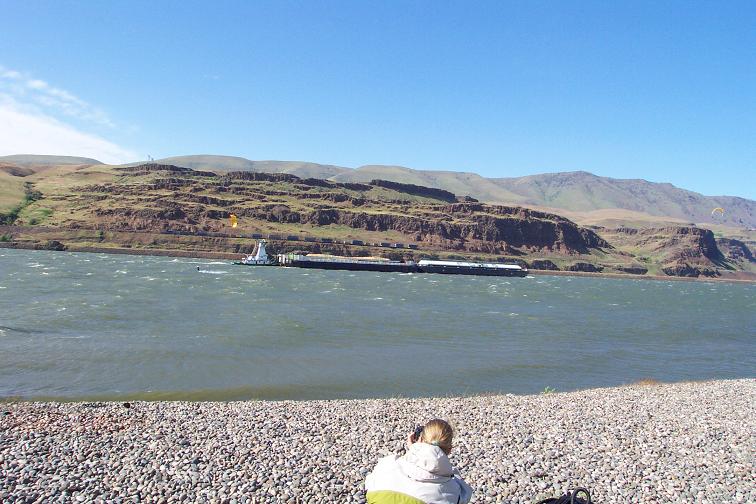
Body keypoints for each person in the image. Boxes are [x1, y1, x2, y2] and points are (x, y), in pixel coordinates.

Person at [365, 419, 473, 504]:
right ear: (449, 450)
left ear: (419, 439)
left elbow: (369, 484)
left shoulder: (387, 464)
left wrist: (413, 450)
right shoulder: (451, 488)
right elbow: (464, 495)